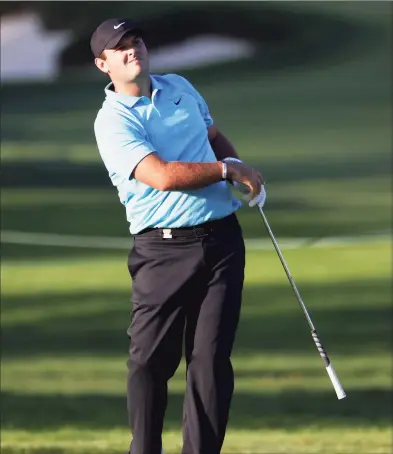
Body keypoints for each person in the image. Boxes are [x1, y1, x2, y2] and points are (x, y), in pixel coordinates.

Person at [91, 18, 266, 454]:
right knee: (150, 362)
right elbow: (162, 176)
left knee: (209, 362)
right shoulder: (112, 121)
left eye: (136, 41)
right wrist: (228, 170)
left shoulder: (180, 87)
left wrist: (236, 166)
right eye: (120, 48)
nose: (133, 50)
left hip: (223, 241)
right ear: (103, 64)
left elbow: (212, 135)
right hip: (163, 250)